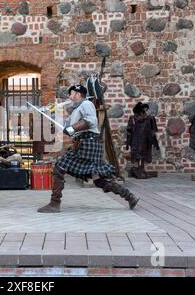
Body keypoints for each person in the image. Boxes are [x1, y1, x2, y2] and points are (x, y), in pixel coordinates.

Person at [37, 84, 140, 213]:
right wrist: (50, 115)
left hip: (87, 143)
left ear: (78, 94)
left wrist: (73, 128)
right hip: (86, 143)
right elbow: (66, 126)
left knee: (59, 168)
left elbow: (91, 121)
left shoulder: (86, 104)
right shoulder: (76, 110)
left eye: (71, 93)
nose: (69, 96)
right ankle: (130, 197)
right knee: (98, 179)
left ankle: (54, 203)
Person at [126, 102, 159, 179]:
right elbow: (129, 131)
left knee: (144, 153)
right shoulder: (133, 118)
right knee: (137, 153)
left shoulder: (150, 118)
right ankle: (137, 169)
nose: (145, 110)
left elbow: (153, 131)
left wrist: (154, 142)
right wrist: (128, 143)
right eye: (143, 109)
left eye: (145, 109)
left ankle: (142, 168)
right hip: (136, 139)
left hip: (146, 139)